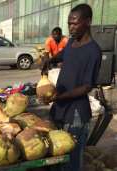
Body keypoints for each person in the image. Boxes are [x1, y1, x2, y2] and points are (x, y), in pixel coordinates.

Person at [42, 4, 101, 171]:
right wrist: (51, 59)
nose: (71, 27)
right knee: (54, 157)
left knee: (71, 162)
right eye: (69, 23)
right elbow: (64, 55)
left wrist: (58, 97)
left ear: (88, 22)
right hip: (59, 109)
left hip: (75, 114)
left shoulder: (93, 51)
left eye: (75, 23)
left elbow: (86, 87)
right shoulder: (71, 42)